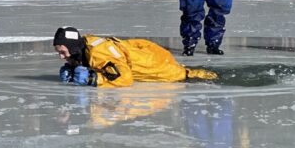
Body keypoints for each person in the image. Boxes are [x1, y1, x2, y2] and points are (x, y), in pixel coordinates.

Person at [53, 26, 217, 88]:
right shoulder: (85, 46)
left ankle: (214, 77)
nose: (61, 57)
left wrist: (93, 79)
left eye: (63, 52)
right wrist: (74, 67)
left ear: (73, 48)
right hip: (143, 52)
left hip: (156, 65)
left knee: (184, 74)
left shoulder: (98, 53)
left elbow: (125, 78)